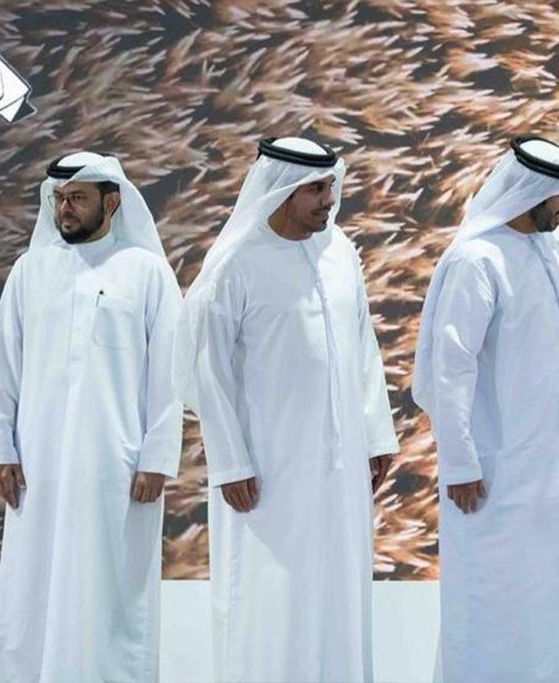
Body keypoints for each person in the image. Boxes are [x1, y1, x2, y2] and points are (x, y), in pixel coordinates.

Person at [173, 136, 399, 683]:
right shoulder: (235, 264)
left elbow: (362, 345)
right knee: (270, 598)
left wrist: (375, 435)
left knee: (338, 596)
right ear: (279, 189)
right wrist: (229, 462)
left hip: (340, 471)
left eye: (330, 185)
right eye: (316, 189)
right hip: (266, 470)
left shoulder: (340, 252)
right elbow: (205, 369)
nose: (330, 198)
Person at [0, 151, 182, 682]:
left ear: (111, 202)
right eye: (58, 199)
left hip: (116, 469)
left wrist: (158, 457)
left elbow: (169, 373)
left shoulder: (147, 273)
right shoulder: (30, 271)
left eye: (76, 199)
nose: (64, 209)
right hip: (39, 467)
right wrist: (1, 448)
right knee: (34, 592)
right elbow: (4, 366)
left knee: (110, 594)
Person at [413, 136, 559, 683]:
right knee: (494, 607)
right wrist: (461, 463)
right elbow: (450, 369)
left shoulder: (552, 253)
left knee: (552, 610)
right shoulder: (478, 260)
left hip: (556, 480)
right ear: (529, 192)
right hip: (497, 476)